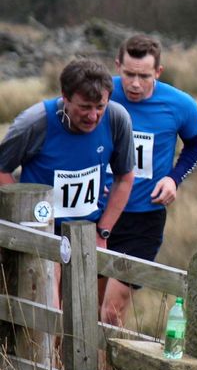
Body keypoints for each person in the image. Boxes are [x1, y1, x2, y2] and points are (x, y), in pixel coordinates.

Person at [99, 35, 197, 328]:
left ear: (158, 72)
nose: (134, 84)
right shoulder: (100, 93)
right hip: (96, 212)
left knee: (111, 311)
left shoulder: (180, 105)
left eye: (143, 76)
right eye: (128, 74)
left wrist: (173, 179)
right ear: (117, 65)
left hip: (144, 219)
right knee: (83, 305)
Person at [0, 59, 134, 249]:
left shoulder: (117, 118)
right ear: (65, 97)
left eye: (100, 106)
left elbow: (125, 177)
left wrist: (103, 231)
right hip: (43, 232)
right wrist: (26, 218)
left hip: (89, 231)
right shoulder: (34, 122)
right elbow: (1, 169)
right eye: (85, 107)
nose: (93, 116)